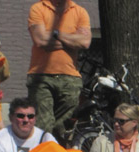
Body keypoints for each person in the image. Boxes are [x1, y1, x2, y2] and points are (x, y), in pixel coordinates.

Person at [26, 0, 92, 137]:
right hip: (41, 76)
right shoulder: (38, 8)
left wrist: (56, 33)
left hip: (70, 77)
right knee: (43, 124)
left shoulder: (80, 12)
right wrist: (72, 42)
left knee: (64, 127)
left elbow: (85, 42)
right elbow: (41, 40)